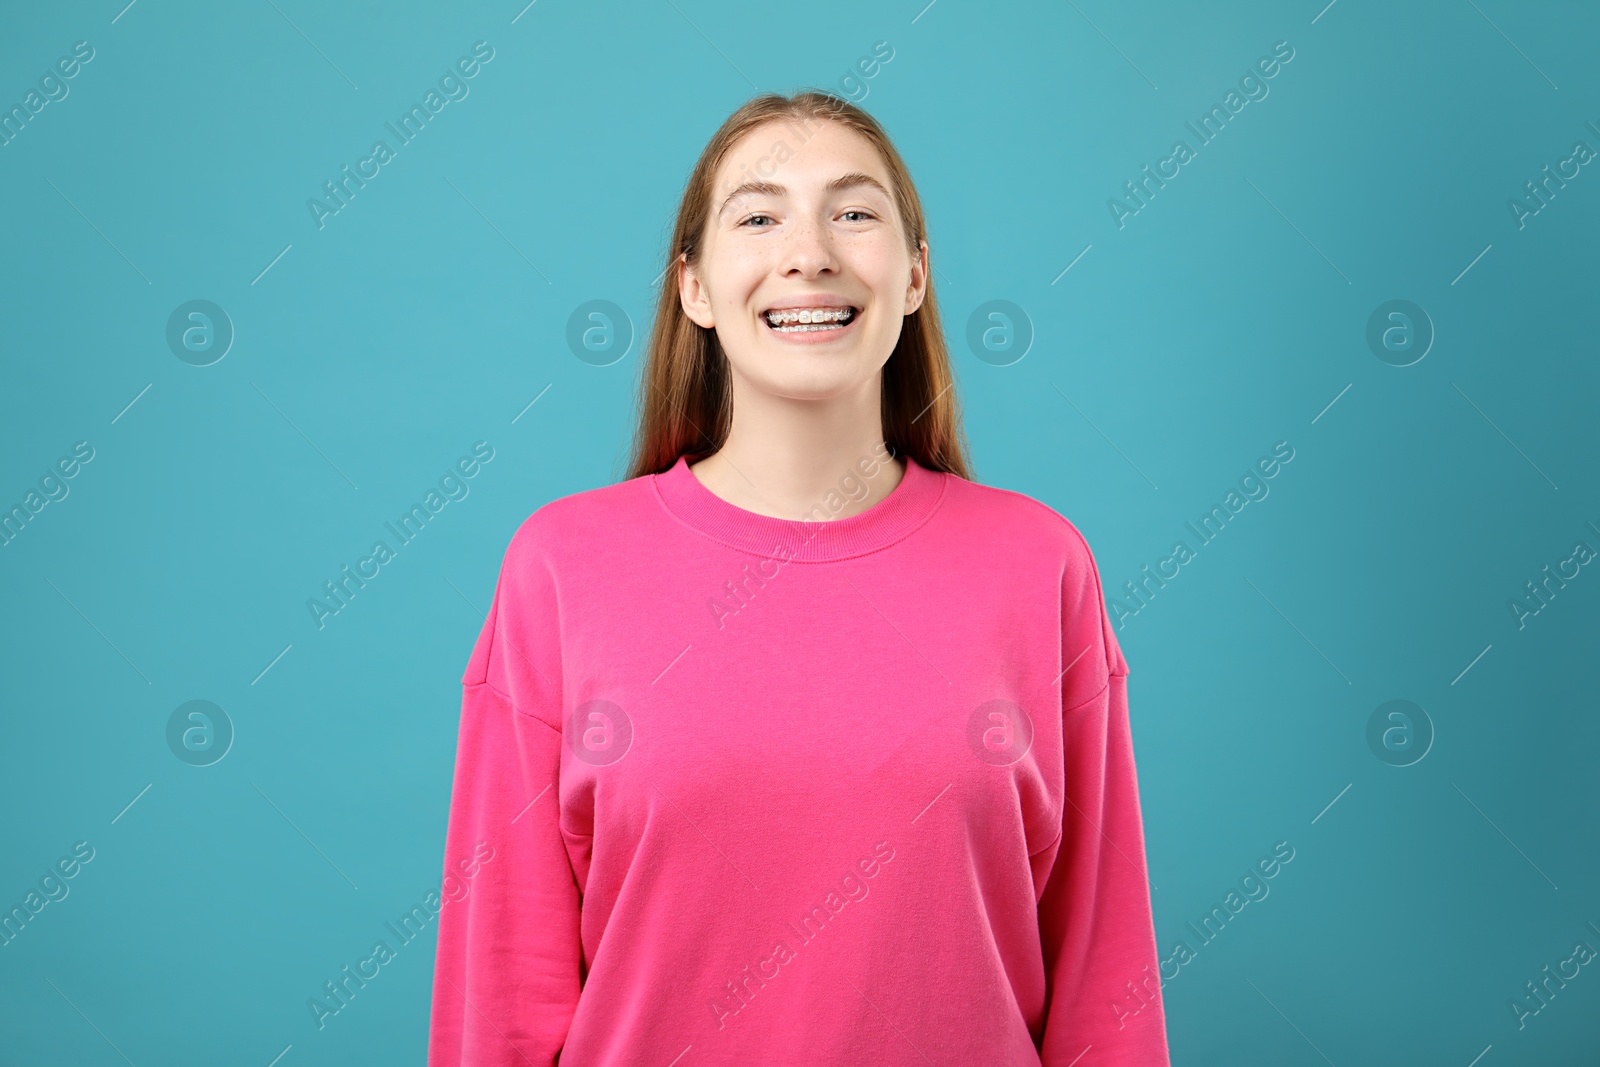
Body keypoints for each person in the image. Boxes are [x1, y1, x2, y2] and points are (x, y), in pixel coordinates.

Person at [428, 89, 1171, 1066]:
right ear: (692, 285)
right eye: (760, 214)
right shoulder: (561, 569)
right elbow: (501, 991)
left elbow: (1104, 985)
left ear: (912, 276)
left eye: (854, 211)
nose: (809, 251)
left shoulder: (1040, 566)